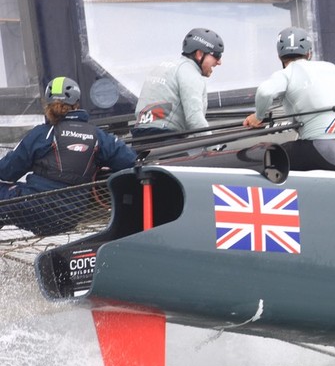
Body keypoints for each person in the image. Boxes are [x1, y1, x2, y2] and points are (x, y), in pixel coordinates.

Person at [0, 77, 137, 235]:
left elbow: (7, 171)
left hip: (34, 210)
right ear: (77, 103)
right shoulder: (98, 136)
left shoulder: (42, 134)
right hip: (70, 217)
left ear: (48, 105)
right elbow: (128, 160)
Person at [242, 26, 335, 172]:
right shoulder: (333, 69)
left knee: (269, 155)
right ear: (309, 53)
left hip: (319, 153)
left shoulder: (286, 73)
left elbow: (265, 93)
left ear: (279, 56)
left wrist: (258, 116)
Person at [132, 27, 224, 139]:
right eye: (217, 55)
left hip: (138, 138)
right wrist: (214, 148)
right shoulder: (190, 74)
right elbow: (194, 119)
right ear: (199, 54)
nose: (219, 62)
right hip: (165, 139)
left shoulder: (163, 67)